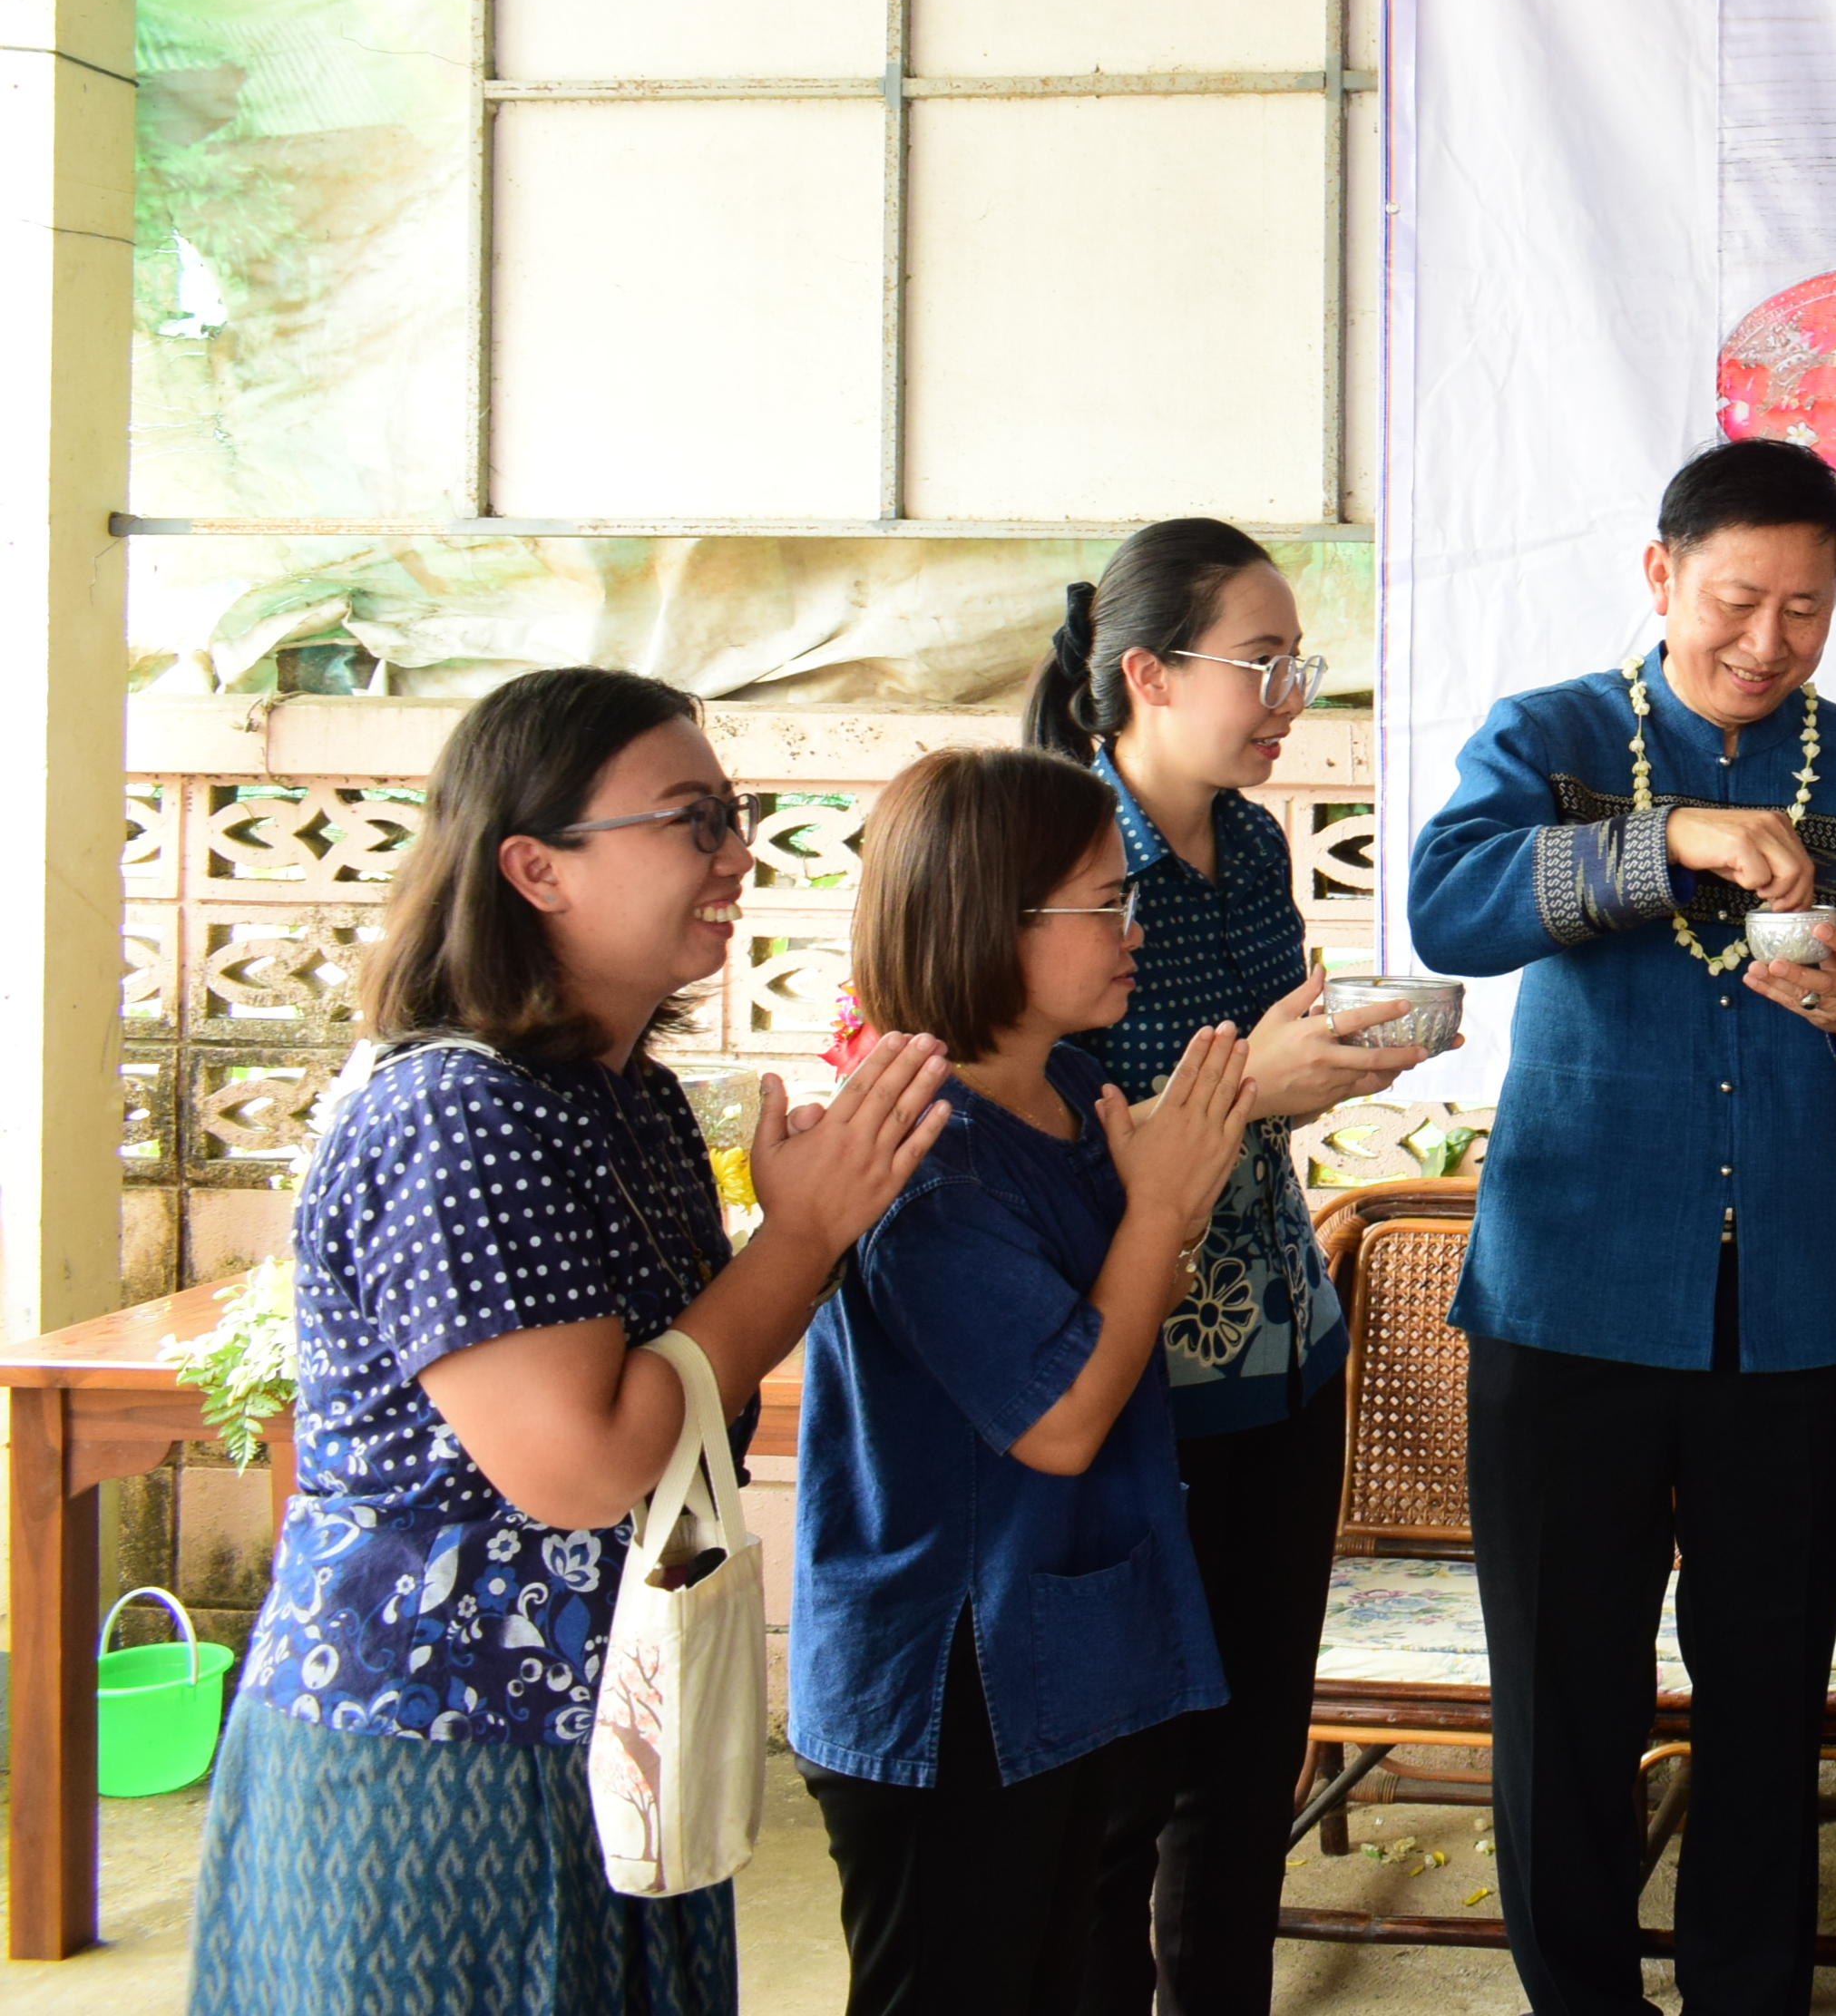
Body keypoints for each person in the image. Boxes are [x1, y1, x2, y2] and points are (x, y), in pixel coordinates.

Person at [191, 668, 945, 2016]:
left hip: (615, 1730)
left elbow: (688, 1397)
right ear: (534, 868)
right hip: (436, 1751)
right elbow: (585, 1462)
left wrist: (809, 1237)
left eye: (734, 810)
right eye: (690, 819)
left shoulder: (624, 1097)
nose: (737, 850)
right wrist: (798, 1242)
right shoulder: (458, 1115)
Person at [1402, 438, 1836, 2016]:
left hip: (1791, 1309)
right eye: (1738, 598)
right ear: (1661, 577)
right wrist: (1678, 844)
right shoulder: (1557, 736)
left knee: (1770, 1694)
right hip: (1567, 1292)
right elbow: (1449, 907)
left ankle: (1746, 1996)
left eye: (1807, 608)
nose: (1768, 639)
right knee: (1565, 1697)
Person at [1021, 517, 1442, 2013]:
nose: (1286, 700)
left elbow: (1262, 1067)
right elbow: (1052, 1114)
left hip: (1284, 1345)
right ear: (1143, 672)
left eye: (1298, 667)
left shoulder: (1254, 841)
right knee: (1130, 1772)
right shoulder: (1055, 857)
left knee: (1255, 1756)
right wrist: (1254, 1084)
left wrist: (1328, 1059)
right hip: (1131, 1364)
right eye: (1261, 665)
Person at [793, 747, 1263, 2014]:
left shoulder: (1064, 1089)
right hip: (952, 1685)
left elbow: (1120, 1313)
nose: (1133, 929)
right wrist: (1162, 1209)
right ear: (987, 920)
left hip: (1065, 1651)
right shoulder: (924, 1161)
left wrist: (1164, 1208)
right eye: (1102, 905)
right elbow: (1060, 1422)